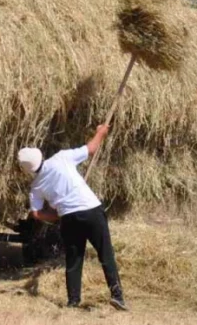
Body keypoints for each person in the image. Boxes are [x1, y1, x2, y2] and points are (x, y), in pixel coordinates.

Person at [18, 124, 127, 311]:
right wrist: (100, 133)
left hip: (68, 219)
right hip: (91, 210)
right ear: (40, 155)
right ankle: (117, 296)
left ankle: (73, 301)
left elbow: (36, 213)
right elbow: (91, 149)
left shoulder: (36, 186)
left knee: (74, 259)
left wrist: (56, 215)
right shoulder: (61, 158)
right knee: (105, 254)